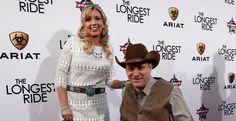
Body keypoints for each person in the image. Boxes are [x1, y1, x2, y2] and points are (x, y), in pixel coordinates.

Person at [54, 4, 123, 121]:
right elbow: (60, 78)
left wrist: (128, 83)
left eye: (97, 18)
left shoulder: (108, 48)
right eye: (88, 19)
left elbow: (110, 80)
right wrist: (64, 107)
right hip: (74, 109)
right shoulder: (72, 42)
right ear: (83, 24)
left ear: (103, 22)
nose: (93, 23)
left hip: (100, 109)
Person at [115, 43, 194, 121]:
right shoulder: (125, 91)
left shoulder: (171, 91)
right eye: (131, 69)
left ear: (150, 66)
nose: (135, 74)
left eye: (141, 68)